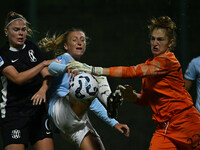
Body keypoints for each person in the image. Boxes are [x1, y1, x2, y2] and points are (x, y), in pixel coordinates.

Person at [67, 16, 200, 149]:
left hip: (185, 123)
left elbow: (132, 71)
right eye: (153, 38)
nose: (155, 43)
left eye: (160, 39)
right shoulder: (150, 66)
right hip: (164, 130)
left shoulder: (167, 62)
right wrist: (130, 95)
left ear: (170, 43)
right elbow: (146, 100)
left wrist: (95, 70)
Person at [39, 28, 130, 150]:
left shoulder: (85, 69)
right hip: (60, 109)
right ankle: (108, 98)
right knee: (94, 78)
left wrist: (114, 123)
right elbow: (52, 67)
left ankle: (109, 100)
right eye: (75, 40)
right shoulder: (66, 58)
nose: (79, 43)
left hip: (77, 120)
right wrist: (66, 68)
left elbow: (93, 103)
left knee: (93, 78)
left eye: (82, 40)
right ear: (66, 46)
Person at [0, 11, 55, 150]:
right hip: (14, 114)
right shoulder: (2, 55)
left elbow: (47, 75)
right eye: (16, 30)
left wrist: (43, 90)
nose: (21, 33)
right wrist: (42, 64)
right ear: (6, 31)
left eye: (23, 30)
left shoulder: (32, 47)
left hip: (37, 111)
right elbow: (18, 79)